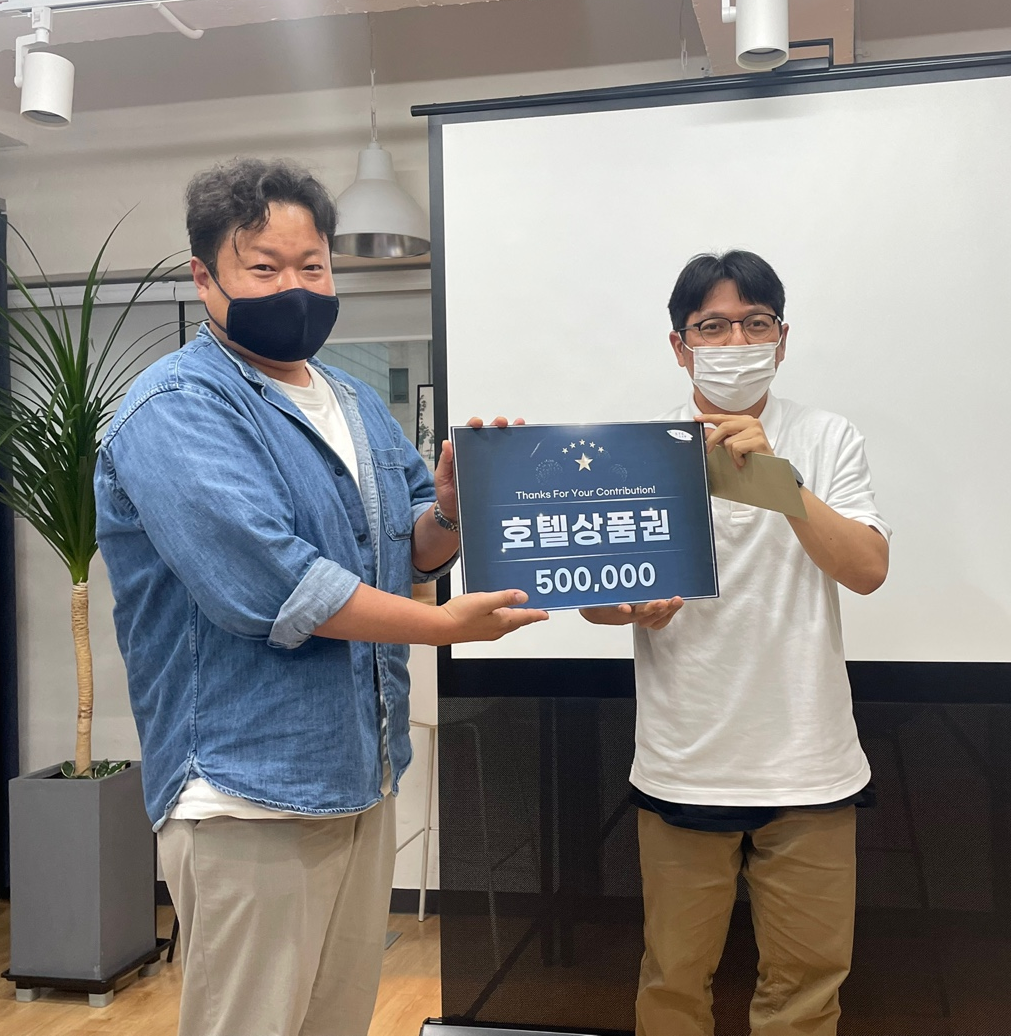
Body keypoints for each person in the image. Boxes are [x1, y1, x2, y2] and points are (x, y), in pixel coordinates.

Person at [95, 157, 546, 1036]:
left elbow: (409, 542)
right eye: (265, 267)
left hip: (360, 773)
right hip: (247, 792)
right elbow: (275, 584)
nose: (295, 286)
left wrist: (453, 511)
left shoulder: (352, 399)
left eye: (313, 265)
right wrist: (440, 626)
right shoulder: (175, 408)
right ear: (204, 277)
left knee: (336, 1021)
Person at [581, 250, 891, 1036]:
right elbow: (598, 603)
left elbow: (866, 569)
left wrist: (775, 477)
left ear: (782, 339)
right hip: (685, 757)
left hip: (810, 763)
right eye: (712, 326)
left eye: (755, 323)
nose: (736, 342)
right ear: (680, 345)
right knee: (674, 982)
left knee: (806, 991)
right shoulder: (638, 449)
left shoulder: (825, 436)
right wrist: (628, 606)